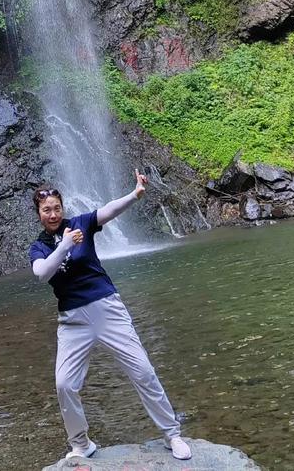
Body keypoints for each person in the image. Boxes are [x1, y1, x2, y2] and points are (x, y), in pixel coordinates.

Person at [29, 174, 192, 462]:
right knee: (65, 384)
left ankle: (171, 434)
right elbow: (42, 274)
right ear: (39, 214)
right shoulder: (39, 246)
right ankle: (81, 444)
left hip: (107, 307)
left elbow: (109, 210)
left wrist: (135, 194)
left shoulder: (80, 223)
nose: (53, 214)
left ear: (62, 208)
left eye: (57, 208)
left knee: (142, 370)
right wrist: (65, 245)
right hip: (72, 320)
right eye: (47, 210)